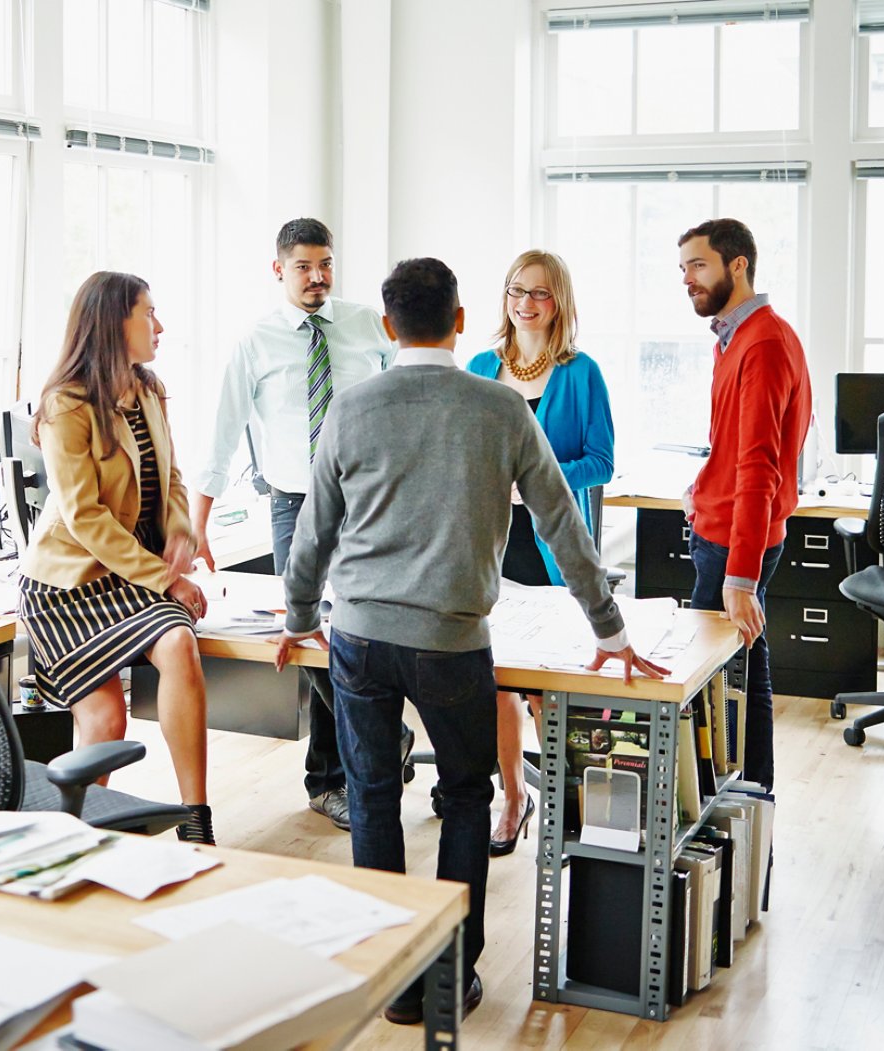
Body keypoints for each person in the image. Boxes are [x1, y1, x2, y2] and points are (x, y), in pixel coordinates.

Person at [275, 257, 668, 1024]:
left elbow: (312, 536)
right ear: (460, 321)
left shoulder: (351, 408)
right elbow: (563, 519)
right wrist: (609, 627)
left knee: (374, 794)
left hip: (358, 634)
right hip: (452, 639)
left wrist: (297, 619)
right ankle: (451, 972)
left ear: (389, 327)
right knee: (464, 794)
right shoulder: (499, 407)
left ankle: (391, 975)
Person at [192, 218, 410, 831]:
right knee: (311, 635)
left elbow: (404, 396)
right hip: (295, 503)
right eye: (303, 267)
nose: (317, 278)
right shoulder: (254, 341)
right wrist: (198, 523)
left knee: (367, 628)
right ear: (278, 269)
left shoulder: (367, 324)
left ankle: (346, 768)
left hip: (370, 497)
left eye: (325, 265)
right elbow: (222, 434)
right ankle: (367, 751)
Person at [17, 271, 214, 845]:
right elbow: (84, 517)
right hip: (69, 585)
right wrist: (166, 579)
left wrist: (180, 538)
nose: (160, 325)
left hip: (130, 574)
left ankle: (195, 819)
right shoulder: (67, 404)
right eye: (148, 313)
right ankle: (73, 842)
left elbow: (172, 479)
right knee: (105, 720)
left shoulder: (149, 390)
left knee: (178, 643)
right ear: (113, 321)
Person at [467, 249, 614, 857]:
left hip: (550, 547)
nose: (525, 303)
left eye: (540, 294)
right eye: (515, 291)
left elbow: (601, 461)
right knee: (497, 679)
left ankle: (564, 802)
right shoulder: (480, 365)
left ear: (560, 303)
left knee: (545, 684)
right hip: (488, 543)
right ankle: (511, 796)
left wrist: (533, 480)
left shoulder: (581, 373)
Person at [677, 218, 812, 792]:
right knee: (739, 672)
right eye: (682, 269)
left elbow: (760, 466)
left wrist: (740, 575)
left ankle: (745, 799)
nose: (687, 279)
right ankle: (747, 801)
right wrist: (702, 484)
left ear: (738, 265)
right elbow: (736, 447)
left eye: (698, 265)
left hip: (735, 542)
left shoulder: (763, 343)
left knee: (728, 681)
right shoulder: (736, 337)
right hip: (724, 528)